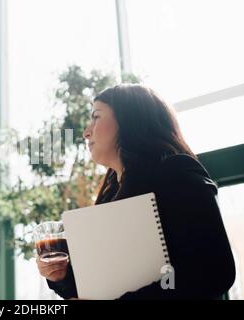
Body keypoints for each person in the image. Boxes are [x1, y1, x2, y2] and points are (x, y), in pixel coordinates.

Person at [36, 84, 236, 299]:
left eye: (96, 117)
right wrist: (61, 277)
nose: (86, 132)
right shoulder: (109, 195)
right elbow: (101, 285)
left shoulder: (176, 171)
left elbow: (213, 271)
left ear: (129, 119)